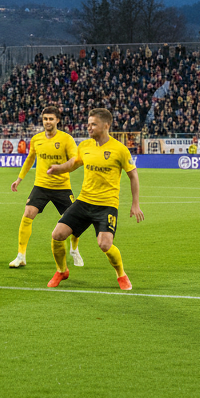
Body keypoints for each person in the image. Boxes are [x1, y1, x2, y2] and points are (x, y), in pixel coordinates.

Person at [44, 108, 144, 290]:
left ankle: (121, 274)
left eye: (93, 124)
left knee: (105, 244)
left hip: (107, 205)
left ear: (106, 125)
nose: (89, 127)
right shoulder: (85, 146)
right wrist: (59, 168)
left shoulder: (120, 150)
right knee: (57, 235)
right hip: (83, 202)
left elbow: (133, 175)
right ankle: (61, 271)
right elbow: (74, 163)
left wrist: (135, 204)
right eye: (88, 124)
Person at [8, 106, 81, 269]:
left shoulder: (66, 139)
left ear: (57, 120)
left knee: (75, 221)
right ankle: (21, 255)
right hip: (41, 186)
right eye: (45, 119)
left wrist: (61, 168)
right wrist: (19, 179)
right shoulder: (36, 139)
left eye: (51, 119)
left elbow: (75, 161)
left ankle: (74, 249)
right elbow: (30, 159)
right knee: (28, 213)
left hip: (62, 187)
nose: (48, 122)